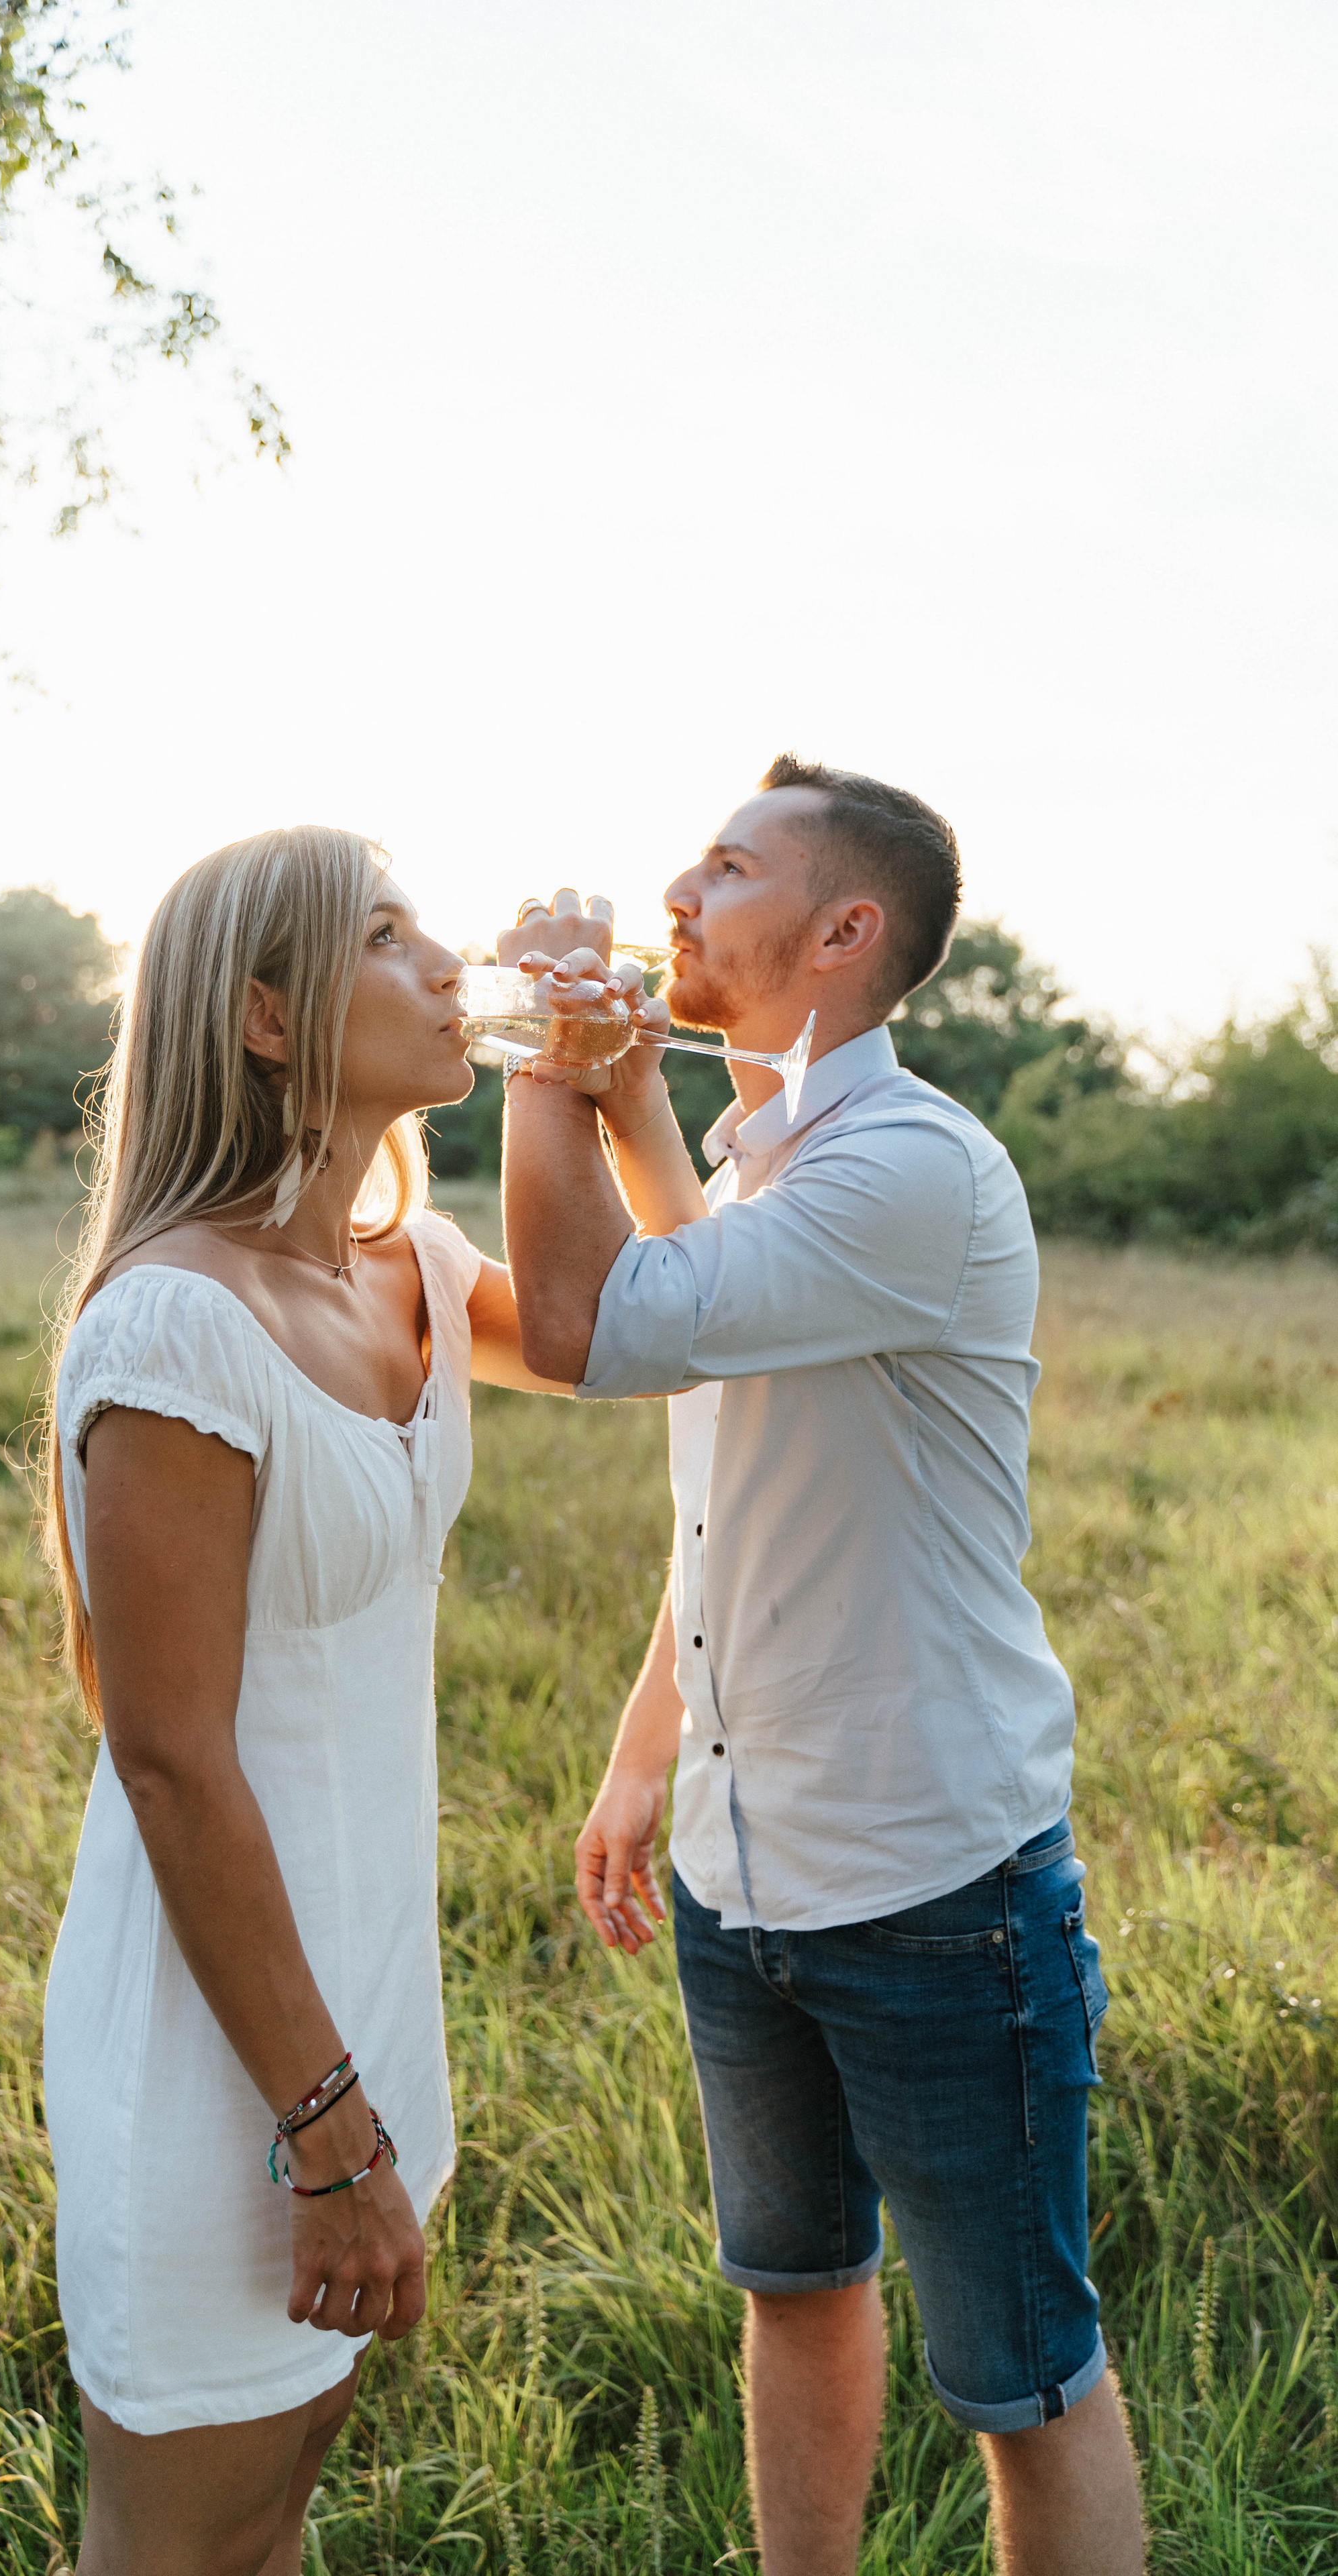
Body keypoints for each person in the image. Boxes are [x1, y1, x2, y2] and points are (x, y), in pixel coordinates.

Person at [497, 755, 1145, 2576]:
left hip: (930, 1878)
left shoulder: (907, 1170)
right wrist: (649, 1744)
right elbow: (735, 1472)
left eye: (725, 866)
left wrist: (558, 1058)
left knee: (1024, 2375)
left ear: (845, 932)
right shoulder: (764, 1162)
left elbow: (577, 1325)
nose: (675, 892)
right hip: (741, 1862)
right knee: (792, 2291)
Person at [40, 825, 562, 2576]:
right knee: (178, 2542)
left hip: (371, 2011)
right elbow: (172, 1758)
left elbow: (608, 1329)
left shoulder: (411, 1269)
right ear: (266, 1020)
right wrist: (325, 2133)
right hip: (232, 2071)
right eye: (391, 938)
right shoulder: (177, 1326)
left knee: (275, 2521)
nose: (448, 964)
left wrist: (580, 1068)